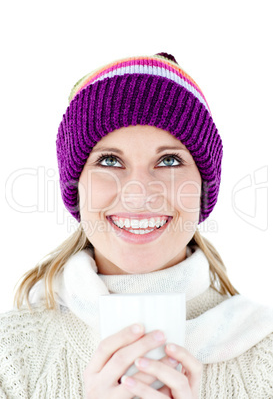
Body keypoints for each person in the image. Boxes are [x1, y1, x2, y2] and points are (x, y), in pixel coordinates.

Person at [0, 52, 272, 399]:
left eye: (169, 160)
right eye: (110, 161)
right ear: (76, 185)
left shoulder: (266, 354)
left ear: (203, 186)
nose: (139, 194)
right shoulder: (11, 355)